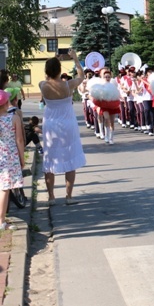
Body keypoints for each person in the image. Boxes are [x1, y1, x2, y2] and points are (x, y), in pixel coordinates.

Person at [39, 49, 86, 206]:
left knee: (49, 159)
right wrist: (75, 59)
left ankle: (51, 197)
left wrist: (53, 61)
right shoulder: (68, 85)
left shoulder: (43, 85)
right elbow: (81, 76)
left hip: (50, 126)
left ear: (46, 71)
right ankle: (69, 196)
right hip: (68, 124)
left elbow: (47, 77)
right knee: (70, 158)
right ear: (60, 70)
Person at [0, 89, 24, 231]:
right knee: (5, 189)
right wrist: (22, 159)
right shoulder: (13, 118)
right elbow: (19, 140)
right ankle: (1, 221)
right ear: (5, 103)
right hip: (9, 156)